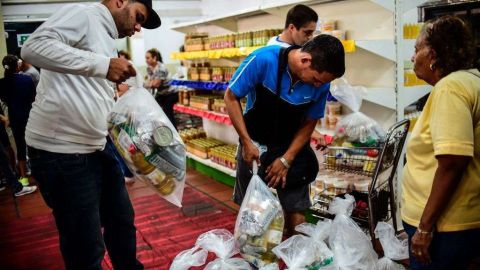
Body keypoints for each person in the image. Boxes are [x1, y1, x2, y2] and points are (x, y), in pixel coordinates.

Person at [20, 0, 161, 269]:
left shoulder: (106, 37)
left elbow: (85, 85)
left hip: (96, 146)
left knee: (121, 221)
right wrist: (102, 65)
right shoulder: (85, 14)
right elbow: (33, 47)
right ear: (120, 1)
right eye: (138, 17)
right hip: (62, 152)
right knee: (85, 245)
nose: (138, 27)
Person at [225, 34, 345, 236]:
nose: (318, 86)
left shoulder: (322, 83)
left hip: (292, 148)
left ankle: (295, 259)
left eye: (322, 83)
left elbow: (309, 122)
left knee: (296, 214)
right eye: (316, 80)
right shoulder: (263, 60)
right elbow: (231, 96)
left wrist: (287, 159)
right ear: (305, 60)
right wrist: (246, 142)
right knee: (251, 211)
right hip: (255, 145)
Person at [401, 15, 480, 270]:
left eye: (416, 50)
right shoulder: (472, 80)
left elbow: (452, 163)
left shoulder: (450, 88)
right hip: (461, 222)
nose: (413, 58)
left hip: (445, 228)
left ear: (433, 54)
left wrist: (424, 228)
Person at [0, 55, 36, 188]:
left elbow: (4, 100)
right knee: (34, 145)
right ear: (17, 65)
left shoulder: (2, 83)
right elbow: (33, 98)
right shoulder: (27, 79)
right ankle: (38, 173)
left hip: (15, 118)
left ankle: (24, 178)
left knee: (20, 147)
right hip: (30, 116)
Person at [144, 48, 179, 127]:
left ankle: (174, 132)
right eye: (145, 58)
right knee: (151, 108)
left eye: (148, 58)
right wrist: (150, 83)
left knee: (167, 112)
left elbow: (156, 84)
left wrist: (148, 84)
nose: (146, 60)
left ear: (155, 58)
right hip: (161, 93)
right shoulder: (149, 68)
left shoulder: (161, 68)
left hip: (171, 93)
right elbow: (151, 83)